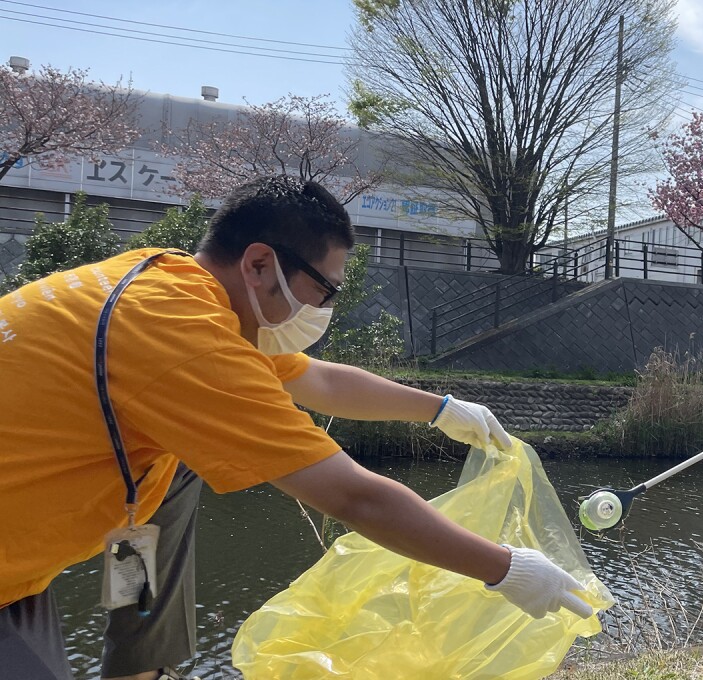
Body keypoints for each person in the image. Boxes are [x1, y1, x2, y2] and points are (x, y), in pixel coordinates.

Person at [0, 176, 592, 680]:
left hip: (22, 564)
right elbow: (354, 496)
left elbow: (320, 381)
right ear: (259, 263)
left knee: (165, 475)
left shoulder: (169, 285)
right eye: (324, 289)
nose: (325, 309)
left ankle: (137, 667)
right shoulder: (182, 339)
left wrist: (439, 409)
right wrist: (504, 568)